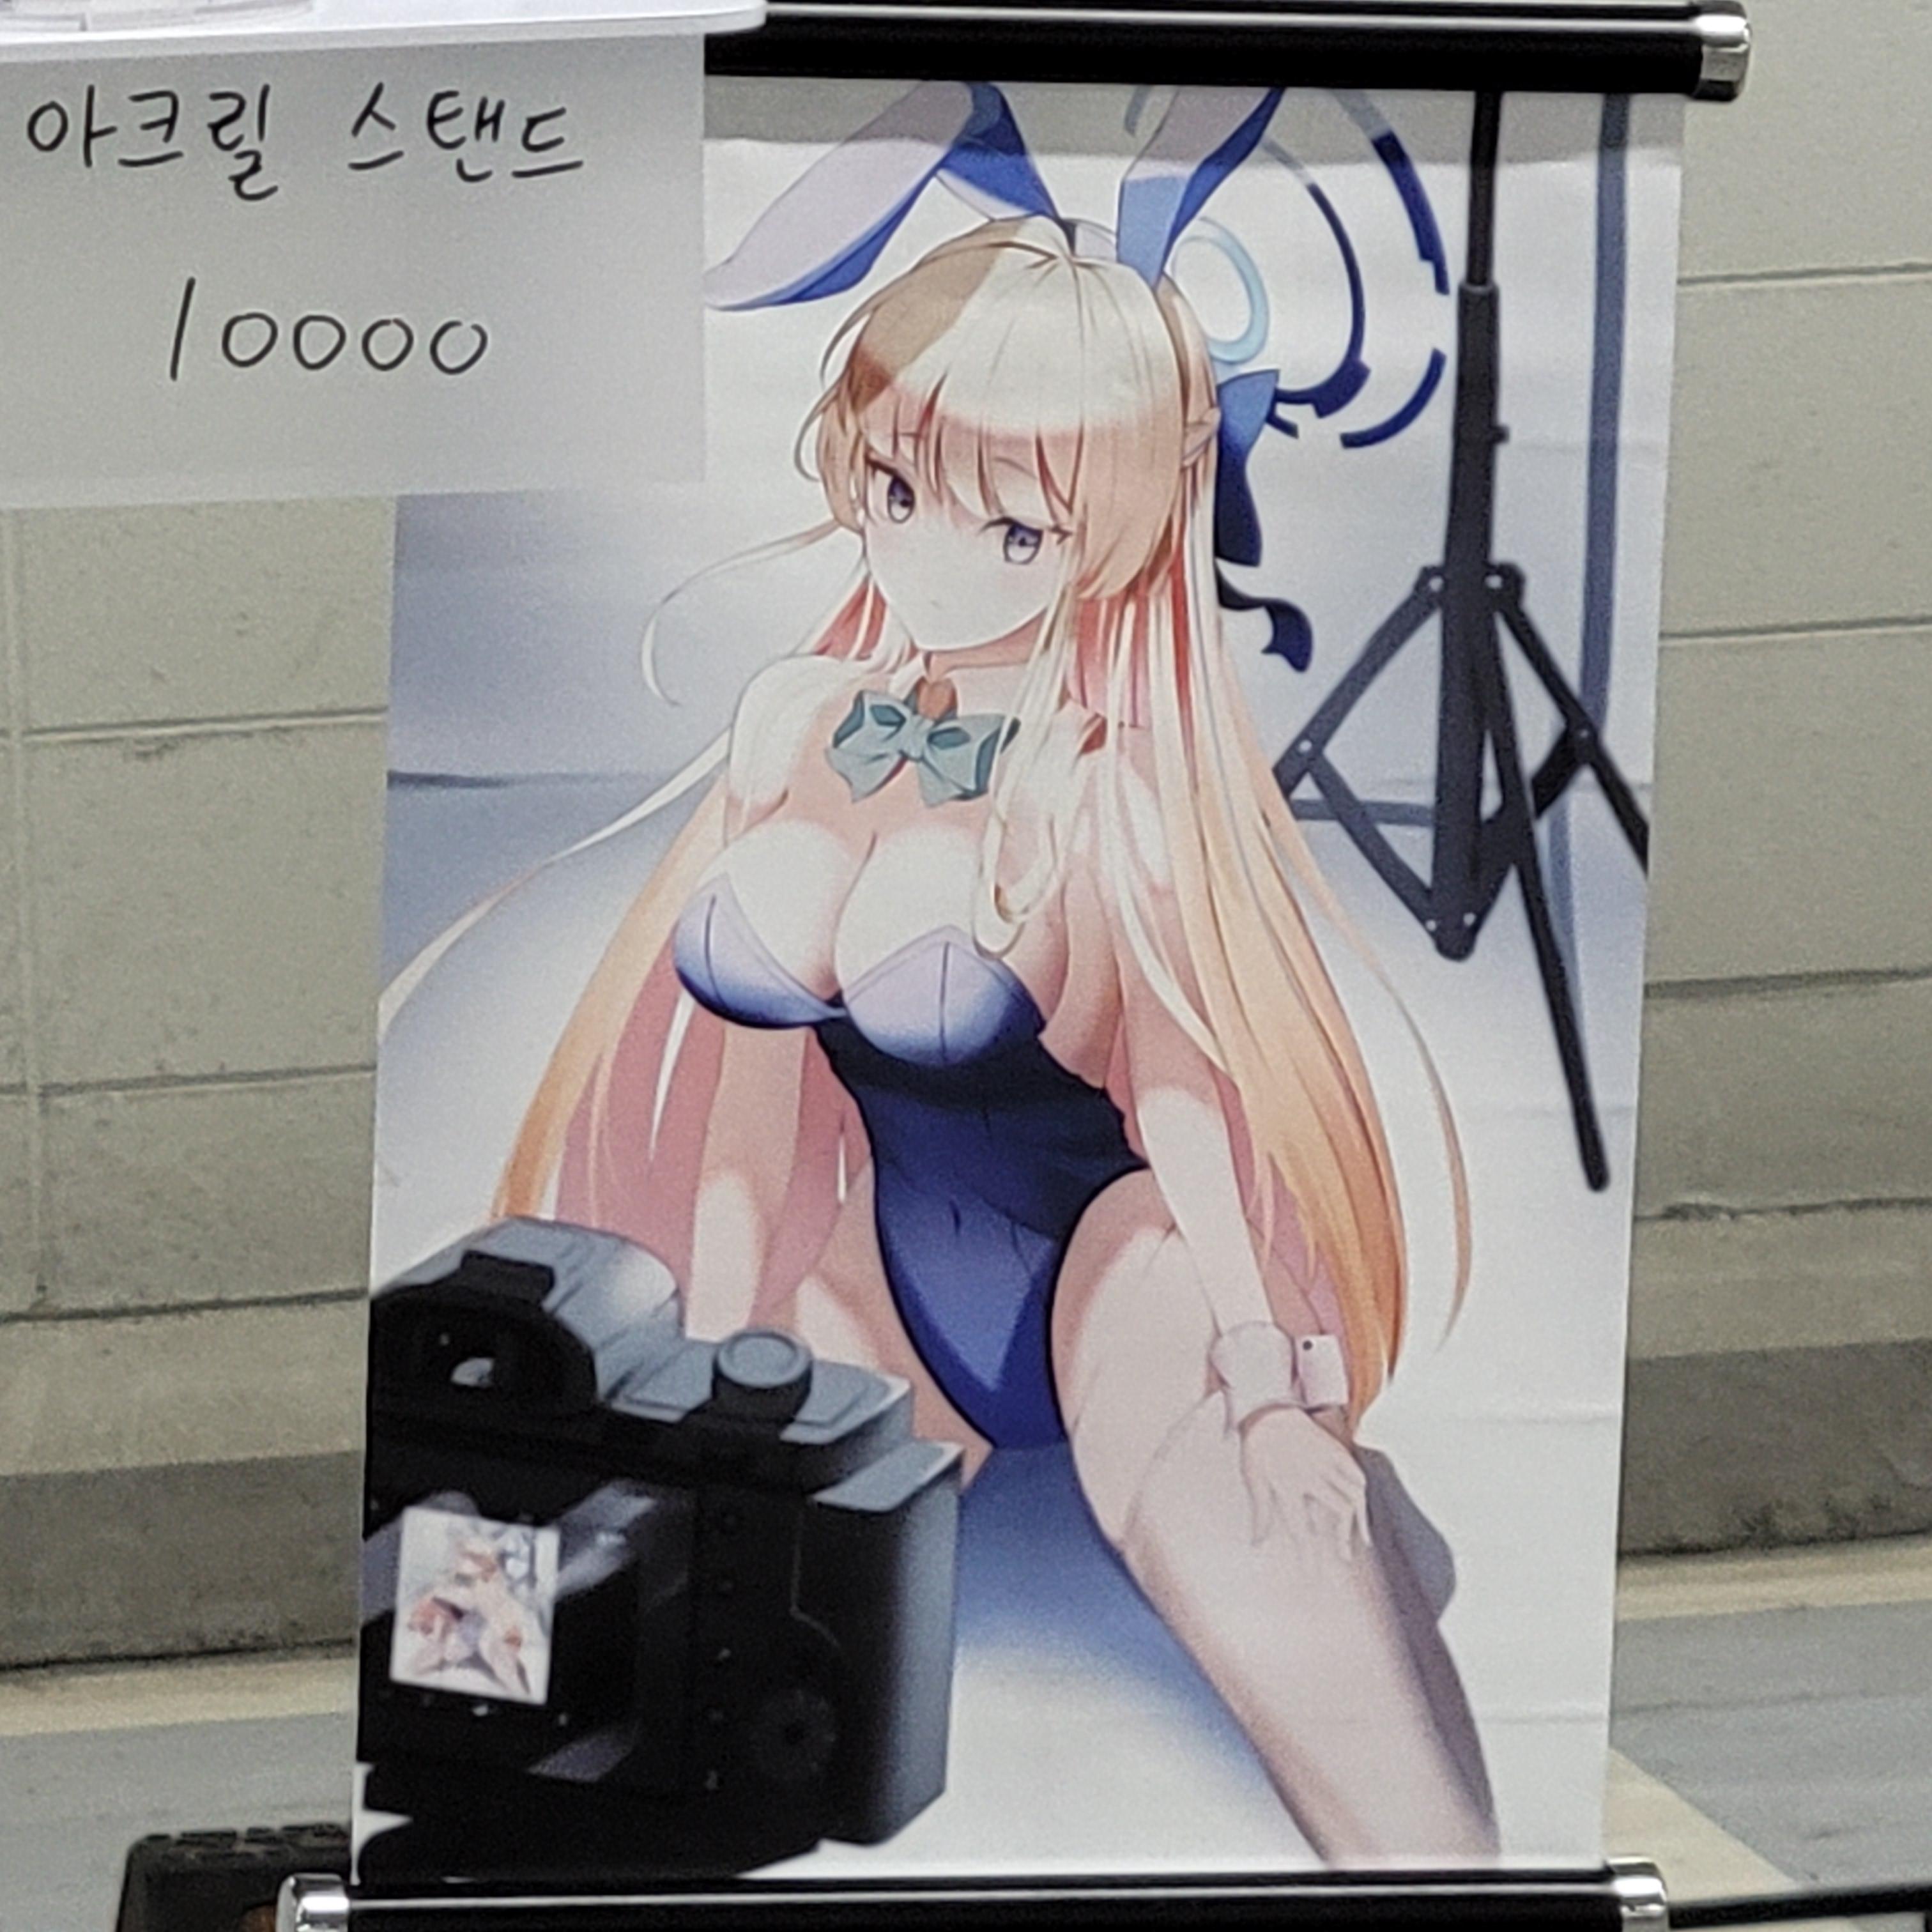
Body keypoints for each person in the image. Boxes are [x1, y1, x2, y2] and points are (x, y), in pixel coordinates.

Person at [493, 209, 1496, 1861]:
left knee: (1390, 1799)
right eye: (898, 488)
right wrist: (718, 1368)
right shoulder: (794, 724)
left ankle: (1354, 1554)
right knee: (640, 1660)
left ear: (1106, 535)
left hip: (1116, 1261)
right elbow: (756, 1105)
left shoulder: (1110, 786)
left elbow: (1182, 1096)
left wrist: (1263, 1376)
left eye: (1013, 524)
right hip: (877, 1273)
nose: (932, 551)